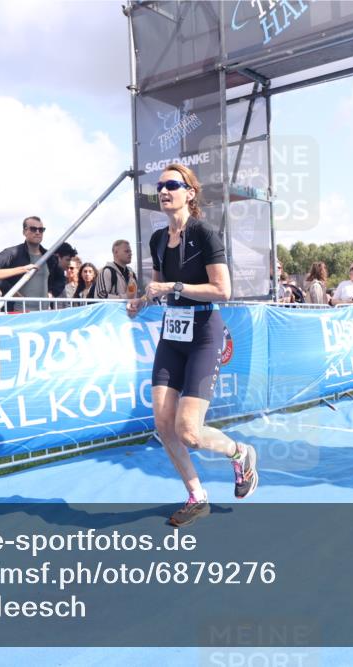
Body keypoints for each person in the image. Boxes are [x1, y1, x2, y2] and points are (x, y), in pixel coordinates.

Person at [126, 163, 257, 527]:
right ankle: (197, 496)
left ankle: (239, 453)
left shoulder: (204, 233)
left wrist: (173, 289)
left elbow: (223, 290)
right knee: (163, 426)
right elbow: (157, 286)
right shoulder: (157, 239)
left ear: (190, 193)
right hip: (173, 334)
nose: (164, 191)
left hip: (204, 334)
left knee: (189, 432)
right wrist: (141, 303)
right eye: (160, 186)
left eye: (172, 184)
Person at [0, 216, 77, 311]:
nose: (38, 232)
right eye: (33, 229)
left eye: (41, 229)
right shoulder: (12, 253)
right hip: (17, 313)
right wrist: (10, 289)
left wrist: (52, 293)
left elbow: (60, 278)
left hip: (43, 313)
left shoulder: (49, 257)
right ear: (24, 231)